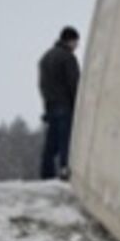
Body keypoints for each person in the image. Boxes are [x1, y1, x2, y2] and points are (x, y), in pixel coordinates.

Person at [38, 26, 80, 179]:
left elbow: (42, 84)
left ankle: (46, 174)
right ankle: (64, 171)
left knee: (51, 145)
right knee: (65, 143)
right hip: (65, 105)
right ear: (71, 40)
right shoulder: (68, 58)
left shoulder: (45, 58)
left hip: (50, 105)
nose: (77, 46)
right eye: (76, 42)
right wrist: (77, 105)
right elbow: (74, 83)